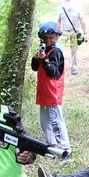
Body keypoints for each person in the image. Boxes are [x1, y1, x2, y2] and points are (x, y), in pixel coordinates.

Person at [31, 21, 71, 155]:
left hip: (53, 91)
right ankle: (52, 144)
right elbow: (34, 67)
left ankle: (64, 148)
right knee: (44, 120)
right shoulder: (44, 49)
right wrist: (36, 58)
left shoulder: (56, 51)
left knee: (56, 121)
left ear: (57, 37)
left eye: (51, 37)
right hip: (43, 91)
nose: (48, 40)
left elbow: (54, 72)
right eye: (46, 38)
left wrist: (45, 60)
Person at [56, 0, 88, 76]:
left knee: (74, 50)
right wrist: (56, 34)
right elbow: (58, 22)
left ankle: (74, 68)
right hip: (64, 32)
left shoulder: (77, 6)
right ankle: (58, 66)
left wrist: (85, 33)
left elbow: (82, 20)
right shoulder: (60, 8)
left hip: (75, 32)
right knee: (58, 49)